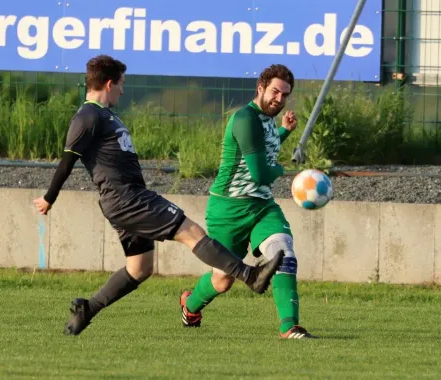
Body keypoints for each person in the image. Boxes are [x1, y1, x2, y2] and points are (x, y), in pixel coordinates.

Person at [32, 55, 284, 336]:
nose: (123, 91)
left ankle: (87, 309)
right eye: (122, 85)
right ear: (109, 83)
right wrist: (49, 197)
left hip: (127, 199)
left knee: (140, 268)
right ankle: (250, 275)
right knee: (191, 231)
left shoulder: (105, 115)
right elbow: (68, 158)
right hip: (128, 199)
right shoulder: (87, 116)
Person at [179, 64, 315, 339]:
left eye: (285, 94)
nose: (279, 98)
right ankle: (190, 304)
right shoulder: (244, 119)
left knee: (283, 253)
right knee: (223, 279)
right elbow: (262, 173)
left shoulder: (265, 119)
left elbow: (264, 146)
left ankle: (289, 326)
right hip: (228, 209)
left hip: (262, 206)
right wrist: (286, 171)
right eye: (275, 91)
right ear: (261, 88)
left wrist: (284, 132)